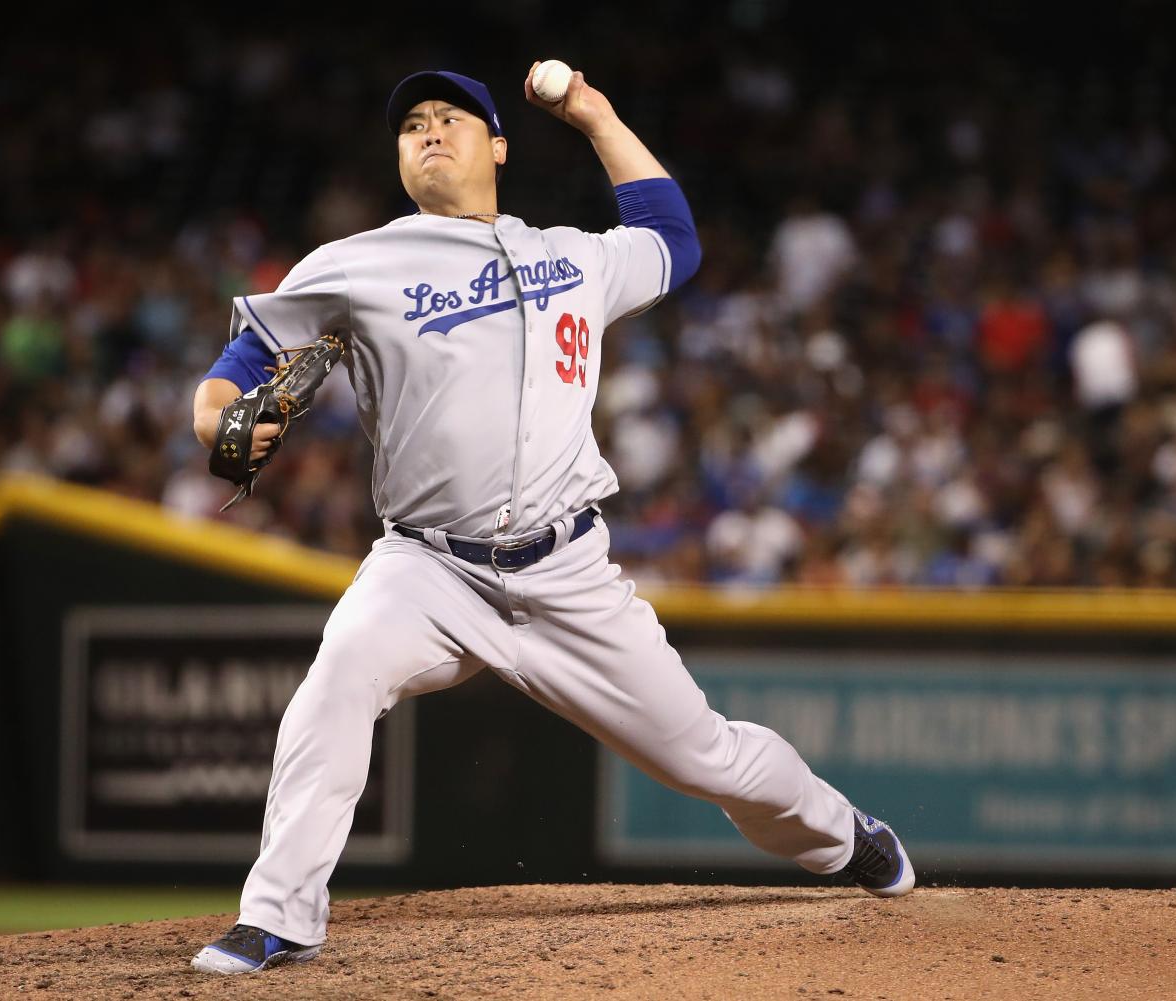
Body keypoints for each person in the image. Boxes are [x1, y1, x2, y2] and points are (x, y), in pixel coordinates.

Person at [188, 64, 915, 977]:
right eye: (412, 123)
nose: (429, 131)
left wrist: (596, 115)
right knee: (335, 682)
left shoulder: (573, 256)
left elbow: (672, 240)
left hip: (567, 570)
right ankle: (278, 917)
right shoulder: (351, 264)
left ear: (497, 145)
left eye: (451, 117)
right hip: (426, 568)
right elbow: (233, 370)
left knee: (704, 755)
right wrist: (218, 422)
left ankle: (841, 833)